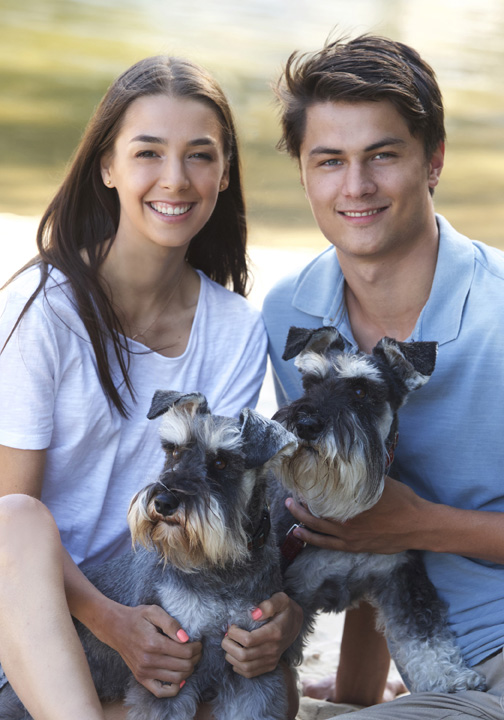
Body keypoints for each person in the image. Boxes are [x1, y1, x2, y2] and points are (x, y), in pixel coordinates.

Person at [0, 55, 301, 720]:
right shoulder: (40, 310)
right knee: (13, 518)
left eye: (200, 155)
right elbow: (6, 525)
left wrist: (281, 614)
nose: (176, 178)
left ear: (224, 174)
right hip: (30, 622)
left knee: (269, 694)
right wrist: (110, 620)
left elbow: (217, 512)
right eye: (148, 153)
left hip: (163, 624)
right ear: (107, 166)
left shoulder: (233, 330)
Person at [263, 34, 504, 719]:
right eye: (329, 161)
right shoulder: (291, 311)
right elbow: (353, 516)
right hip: (432, 675)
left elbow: (388, 525)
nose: (356, 187)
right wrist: (355, 695)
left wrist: (421, 524)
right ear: (304, 174)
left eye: (383, 156)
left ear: (434, 161)